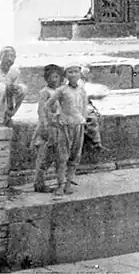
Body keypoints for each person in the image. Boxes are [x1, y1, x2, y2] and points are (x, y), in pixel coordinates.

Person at [47, 63, 88, 197]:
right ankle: (60, 185)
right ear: (65, 75)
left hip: (78, 126)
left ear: (80, 74)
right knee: (62, 157)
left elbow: (84, 107)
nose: (73, 74)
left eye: (76, 71)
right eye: (70, 72)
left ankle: (69, 184)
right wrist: (54, 120)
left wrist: (83, 119)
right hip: (65, 127)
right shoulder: (61, 90)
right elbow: (48, 105)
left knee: (75, 156)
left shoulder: (82, 90)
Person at [32, 64, 64, 193]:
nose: (54, 80)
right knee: (44, 157)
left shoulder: (61, 91)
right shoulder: (45, 92)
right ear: (47, 79)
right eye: (51, 77)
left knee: (59, 157)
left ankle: (61, 182)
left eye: (57, 77)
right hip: (48, 128)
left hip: (59, 128)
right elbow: (41, 110)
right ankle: (39, 183)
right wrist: (44, 126)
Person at [0, 46, 27, 126]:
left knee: (23, 88)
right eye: (6, 56)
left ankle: (8, 116)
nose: (9, 59)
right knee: (1, 87)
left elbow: (15, 93)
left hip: (6, 105)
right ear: (0, 57)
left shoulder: (15, 72)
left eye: (12, 56)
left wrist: (15, 87)